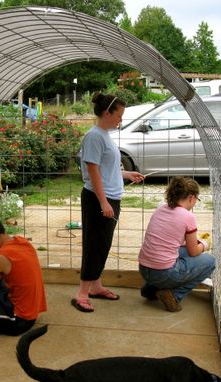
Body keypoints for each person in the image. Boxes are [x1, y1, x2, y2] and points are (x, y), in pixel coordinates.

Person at [72, 93, 145, 313]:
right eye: (119, 115)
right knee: (94, 246)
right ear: (107, 113)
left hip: (109, 198)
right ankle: (82, 293)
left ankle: (96, 286)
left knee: (102, 245)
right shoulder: (94, 136)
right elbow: (92, 170)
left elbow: (106, 169)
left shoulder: (104, 135)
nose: (121, 120)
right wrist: (103, 202)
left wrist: (127, 174)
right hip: (99, 200)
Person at [138, 176, 215, 312]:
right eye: (197, 199)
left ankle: (149, 290)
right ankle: (174, 295)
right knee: (210, 262)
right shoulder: (188, 216)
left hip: (144, 269)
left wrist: (195, 240)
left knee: (179, 253)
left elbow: (170, 239)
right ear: (191, 197)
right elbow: (193, 252)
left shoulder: (160, 209)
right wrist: (205, 244)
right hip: (164, 273)